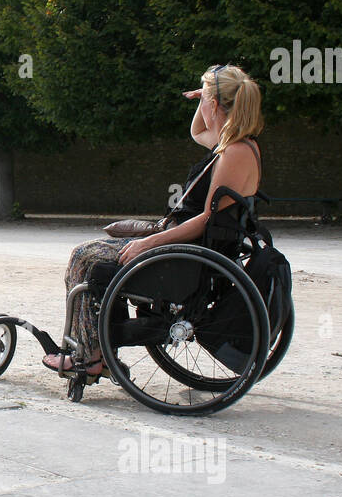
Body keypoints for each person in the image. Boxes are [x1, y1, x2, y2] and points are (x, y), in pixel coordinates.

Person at [44, 63, 264, 377]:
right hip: (192, 246)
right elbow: (197, 131)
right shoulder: (238, 145)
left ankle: (92, 356)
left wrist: (147, 243)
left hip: (186, 252)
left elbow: (205, 219)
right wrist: (207, 96)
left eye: (205, 102)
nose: (201, 106)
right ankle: (98, 351)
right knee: (95, 253)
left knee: (84, 257)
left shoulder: (233, 153)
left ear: (215, 105)